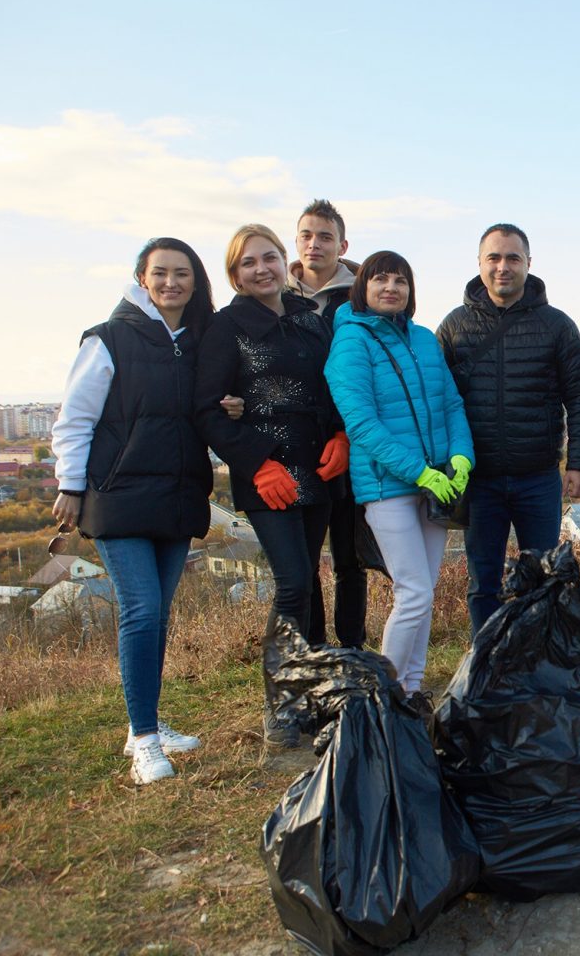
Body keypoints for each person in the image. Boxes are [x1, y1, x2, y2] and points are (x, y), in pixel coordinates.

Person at [51, 238, 223, 783]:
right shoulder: (109, 340)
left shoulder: (195, 343)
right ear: (141, 279)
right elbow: (75, 418)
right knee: (141, 610)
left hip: (175, 497)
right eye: (161, 273)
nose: (172, 282)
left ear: (196, 282)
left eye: (182, 273)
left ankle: (143, 722)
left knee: (157, 614)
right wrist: (69, 486)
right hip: (116, 496)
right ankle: (146, 741)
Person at [194, 224, 348, 748]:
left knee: (309, 583)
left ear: (286, 262)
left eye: (269, 258)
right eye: (247, 263)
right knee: (290, 583)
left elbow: (335, 386)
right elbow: (207, 411)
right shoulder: (225, 327)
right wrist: (255, 463)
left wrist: (342, 435)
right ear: (234, 275)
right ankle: (280, 707)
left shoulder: (313, 320)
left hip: (318, 466)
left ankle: (317, 694)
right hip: (268, 474)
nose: (260, 269)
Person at [326, 250, 473, 700]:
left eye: (400, 281)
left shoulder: (425, 339)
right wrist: (420, 472)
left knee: (423, 591)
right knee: (413, 591)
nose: (391, 288)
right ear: (363, 288)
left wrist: (461, 457)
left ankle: (411, 688)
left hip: (435, 486)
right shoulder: (351, 342)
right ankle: (386, 693)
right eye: (380, 280)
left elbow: (451, 403)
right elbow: (362, 423)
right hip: (388, 488)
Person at [436, 223, 580, 633]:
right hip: (479, 479)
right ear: (479, 263)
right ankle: (486, 668)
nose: (502, 267)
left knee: (542, 579)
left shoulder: (557, 325)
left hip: (537, 478)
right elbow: (434, 400)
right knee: (482, 583)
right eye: (494, 257)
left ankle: (537, 662)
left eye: (512, 258)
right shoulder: (454, 327)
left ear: (528, 263)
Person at [287, 199, 367, 648]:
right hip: (297, 445)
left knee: (349, 555)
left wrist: (347, 430)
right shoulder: (275, 295)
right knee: (304, 557)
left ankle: (353, 647)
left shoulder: (359, 298)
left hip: (350, 439)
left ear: (342, 245)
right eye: (306, 235)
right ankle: (316, 649)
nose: (314, 244)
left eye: (325, 236)